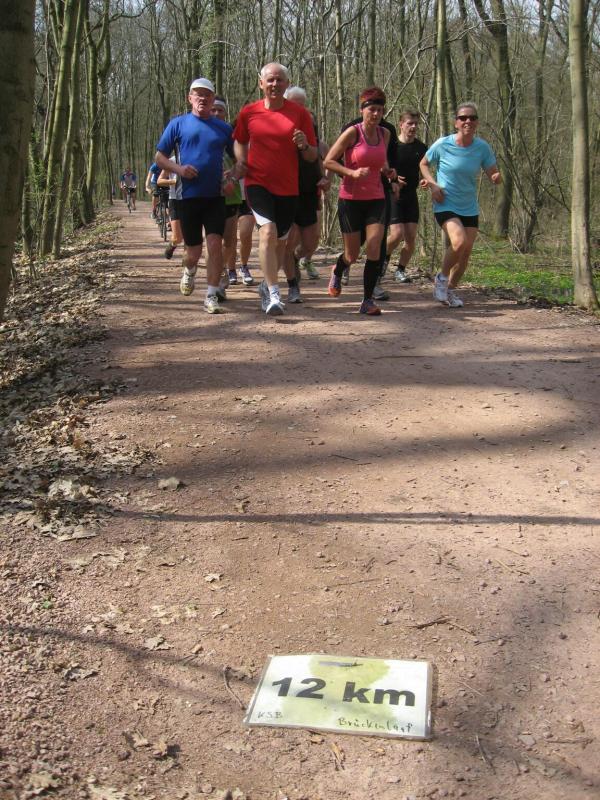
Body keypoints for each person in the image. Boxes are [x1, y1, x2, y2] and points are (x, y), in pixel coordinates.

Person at [233, 62, 318, 316]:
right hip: (258, 183)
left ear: (287, 84)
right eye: (270, 79)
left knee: (281, 244)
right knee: (267, 232)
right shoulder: (249, 112)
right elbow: (240, 140)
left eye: (279, 80)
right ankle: (273, 293)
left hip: (288, 188)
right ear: (261, 83)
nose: (274, 84)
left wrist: (304, 145)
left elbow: (313, 155)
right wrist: (242, 161)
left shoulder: (299, 114)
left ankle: (265, 284)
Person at [154, 77, 242, 314]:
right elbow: (159, 158)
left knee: (215, 245)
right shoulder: (178, 124)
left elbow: (240, 161)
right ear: (190, 98)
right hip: (187, 197)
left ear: (213, 99)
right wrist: (180, 169)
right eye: (198, 94)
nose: (202, 98)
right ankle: (189, 270)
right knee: (193, 252)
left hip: (215, 197)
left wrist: (232, 179)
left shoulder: (224, 129)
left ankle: (211, 295)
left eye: (207, 95)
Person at [323, 86, 398, 316]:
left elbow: (381, 161)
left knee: (375, 246)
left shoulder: (385, 134)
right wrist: (351, 172)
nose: (376, 114)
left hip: (376, 198)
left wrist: (388, 172)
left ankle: (367, 300)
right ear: (362, 110)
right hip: (351, 200)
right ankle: (338, 269)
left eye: (379, 110)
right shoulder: (352, 133)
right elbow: (328, 161)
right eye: (371, 109)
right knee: (352, 255)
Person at [420, 101, 501, 307]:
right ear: (456, 122)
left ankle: (450, 291)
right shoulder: (443, 144)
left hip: (469, 206)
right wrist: (433, 185)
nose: (468, 121)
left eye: (472, 118)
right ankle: (441, 279)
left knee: (465, 253)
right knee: (458, 242)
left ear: (477, 123)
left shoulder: (482, 147)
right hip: (445, 202)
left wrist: (496, 177)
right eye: (463, 118)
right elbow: (424, 163)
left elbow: (492, 171)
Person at [283, 86, 331, 295]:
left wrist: (326, 179)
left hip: (309, 193)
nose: (299, 109)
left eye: (302, 105)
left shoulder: (310, 126)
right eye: (295, 104)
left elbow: (324, 158)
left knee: (310, 244)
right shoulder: (279, 128)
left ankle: (296, 259)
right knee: (290, 239)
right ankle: (292, 284)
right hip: (286, 191)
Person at [385, 110, 427, 283]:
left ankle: (400, 270)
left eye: (416, 123)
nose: (413, 127)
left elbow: (424, 170)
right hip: (393, 195)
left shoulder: (421, 148)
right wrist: (392, 179)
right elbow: (382, 169)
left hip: (411, 196)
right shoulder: (392, 146)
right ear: (401, 124)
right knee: (396, 235)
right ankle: (382, 261)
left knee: (410, 237)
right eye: (410, 123)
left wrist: (425, 180)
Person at [157, 157, 183, 260]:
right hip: (175, 200)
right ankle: (172, 245)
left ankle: (188, 265)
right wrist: (173, 181)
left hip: (192, 200)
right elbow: (159, 180)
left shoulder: (197, 157)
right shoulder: (172, 161)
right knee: (177, 238)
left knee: (190, 237)